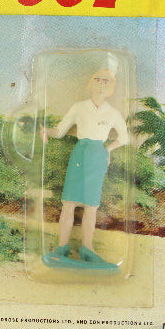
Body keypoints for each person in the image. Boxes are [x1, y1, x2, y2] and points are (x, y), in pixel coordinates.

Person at [40, 66, 128, 265]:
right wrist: (46, 130)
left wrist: (107, 150)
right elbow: (60, 130)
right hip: (79, 153)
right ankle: (62, 246)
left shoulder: (113, 113)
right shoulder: (79, 107)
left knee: (92, 205)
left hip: (98, 156)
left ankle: (87, 248)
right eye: (97, 79)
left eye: (106, 81)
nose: (101, 84)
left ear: (111, 87)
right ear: (90, 83)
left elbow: (124, 137)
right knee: (68, 202)